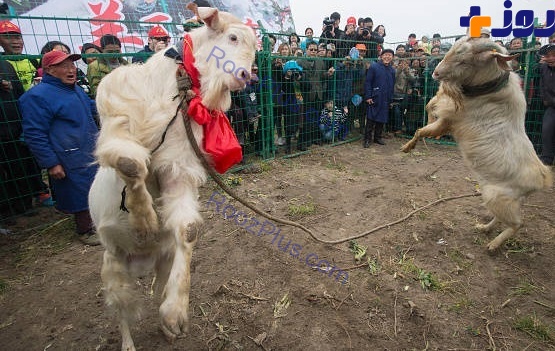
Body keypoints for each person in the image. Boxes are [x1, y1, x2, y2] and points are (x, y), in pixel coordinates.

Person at [19, 50, 100, 245]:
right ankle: (85, 230)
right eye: (64, 66)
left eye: (72, 65)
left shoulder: (75, 89)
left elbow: (91, 107)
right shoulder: (37, 97)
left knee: (94, 187)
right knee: (78, 192)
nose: (71, 70)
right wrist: (51, 162)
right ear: (49, 70)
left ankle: (98, 222)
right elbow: (34, 133)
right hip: (67, 155)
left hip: (87, 148)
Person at [0, 20, 47, 219]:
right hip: (4, 125)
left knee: (28, 161)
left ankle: (34, 195)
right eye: (9, 37)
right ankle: (12, 206)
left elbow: (20, 92)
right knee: (9, 166)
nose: (16, 42)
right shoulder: (4, 63)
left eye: (18, 37)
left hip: (26, 118)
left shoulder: (29, 61)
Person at [363, 48, 395, 147]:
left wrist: (390, 99)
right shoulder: (374, 67)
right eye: (385, 55)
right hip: (374, 97)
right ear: (381, 56)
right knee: (371, 119)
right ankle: (367, 139)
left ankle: (377, 137)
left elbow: (392, 85)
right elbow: (368, 82)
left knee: (382, 119)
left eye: (390, 55)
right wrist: (368, 96)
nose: (387, 57)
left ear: (392, 57)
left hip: (386, 98)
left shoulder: (392, 70)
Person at [87, 34, 128, 98]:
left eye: (117, 51)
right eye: (110, 52)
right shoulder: (94, 66)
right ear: (102, 50)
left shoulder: (125, 64)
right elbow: (96, 91)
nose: (114, 54)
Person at [538, 43, 555, 166]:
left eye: (554, 55)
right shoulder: (544, 68)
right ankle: (547, 161)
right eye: (548, 56)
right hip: (551, 106)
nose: (551, 58)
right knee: (547, 131)